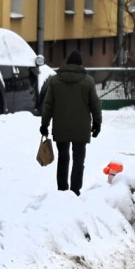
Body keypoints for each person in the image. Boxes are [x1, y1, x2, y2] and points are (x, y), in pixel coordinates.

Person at [40, 50, 102, 195]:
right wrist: (97, 123)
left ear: (67, 63)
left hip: (61, 127)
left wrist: (44, 124)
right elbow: (95, 104)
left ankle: (62, 188)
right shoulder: (88, 81)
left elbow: (48, 104)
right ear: (80, 64)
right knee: (79, 159)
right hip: (81, 128)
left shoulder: (55, 81)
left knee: (63, 157)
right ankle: (75, 189)